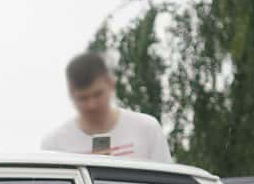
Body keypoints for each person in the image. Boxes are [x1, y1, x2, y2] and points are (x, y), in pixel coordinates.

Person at [41, 51, 172, 164]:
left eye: (97, 94)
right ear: (70, 95)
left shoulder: (147, 129)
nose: (91, 105)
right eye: (83, 98)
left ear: (110, 84)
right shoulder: (55, 146)